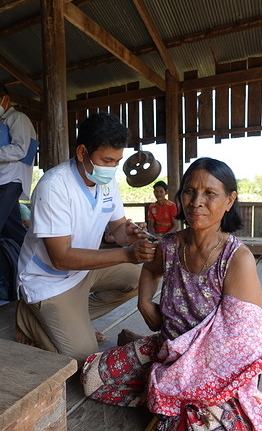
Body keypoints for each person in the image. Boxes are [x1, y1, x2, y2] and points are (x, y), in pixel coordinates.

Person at [81, 157, 262, 430]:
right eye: (189, 191)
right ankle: (165, 393)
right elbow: (150, 269)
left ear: (229, 200)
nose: (196, 201)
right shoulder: (169, 245)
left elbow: (238, 348)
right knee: (92, 378)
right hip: (167, 346)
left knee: (200, 424)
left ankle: (168, 396)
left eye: (210, 193)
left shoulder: (237, 259)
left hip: (213, 369)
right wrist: (144, 302)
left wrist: (181, 373)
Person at [16, 112, 157, 366]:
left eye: (117, 161)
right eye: (106, 160)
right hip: (50, 281)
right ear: (82, 153)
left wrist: (131, 233)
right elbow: (60, 258)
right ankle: (29, 317)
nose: (112, 168)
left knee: (141, 279)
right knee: (85, 361)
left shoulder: (105, 182)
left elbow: (117, 229)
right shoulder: (54, 186)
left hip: (84, 271)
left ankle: (73, 320)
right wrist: (127, 254)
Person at [0, 85, 37, 247]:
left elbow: (21, 149)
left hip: (11, 179)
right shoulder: (3, 120)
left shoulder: (17, 118)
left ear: (5, 99)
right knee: (12, 227)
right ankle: (29, 258)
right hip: (3, 179)